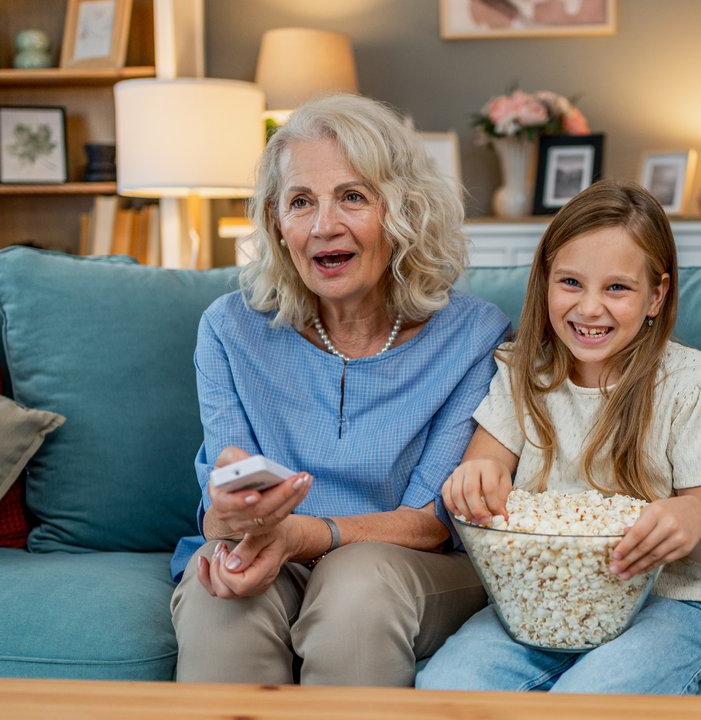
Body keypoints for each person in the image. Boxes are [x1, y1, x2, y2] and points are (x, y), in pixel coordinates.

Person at [170, 93, 511, 686]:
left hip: (407, 564)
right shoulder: (230, 328)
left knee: (357, 586)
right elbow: (221, 508)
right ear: (278, 224)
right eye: (301, 202)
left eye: (353, 197)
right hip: (271, 549)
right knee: (216, 595)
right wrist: (229, 524)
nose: (324, 226)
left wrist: (308, 534)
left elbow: (430, 523)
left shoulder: (475, 335)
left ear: (403, 212)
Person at [415, 180, 701, 694]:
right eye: (571, 283)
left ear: (657, 295)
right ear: (546, 280)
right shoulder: (521, 375)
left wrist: (694, 520)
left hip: (667, 599)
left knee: (591, 699)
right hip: (537, 596)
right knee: (446, 687)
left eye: (617, 288)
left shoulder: (690, 384)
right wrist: (475, 478)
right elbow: (483, 464)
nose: (590, 308)